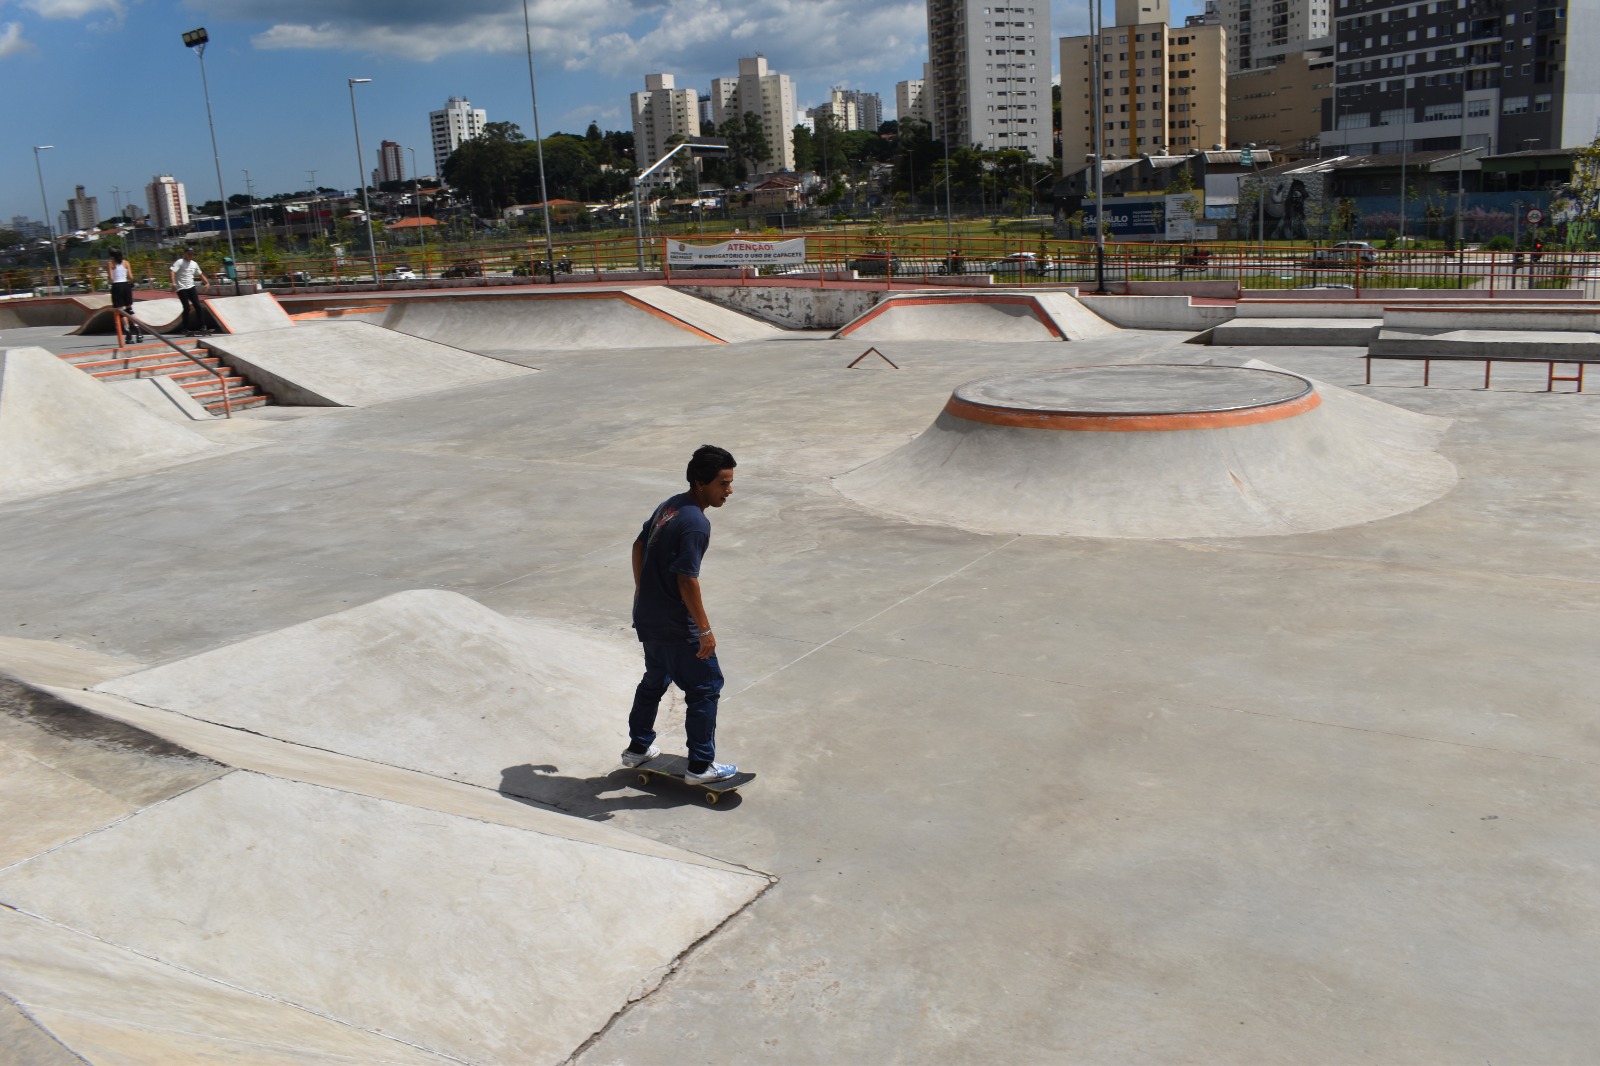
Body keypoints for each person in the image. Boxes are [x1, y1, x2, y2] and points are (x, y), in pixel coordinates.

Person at [623, 445, 738, 784]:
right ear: (701, 482)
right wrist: (704, 631)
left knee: (655, 679)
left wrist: (641, 590)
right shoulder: (695, 523)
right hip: (676, 624)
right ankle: (701, 767)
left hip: (649, 616)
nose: (729, 490)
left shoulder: (671, 505)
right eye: (723, 483)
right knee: (705, 687)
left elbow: (638, 545)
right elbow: (687, 579)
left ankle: (638, 748)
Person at [169, 248, 209, 335]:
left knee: (198, 305)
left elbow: (200, 274)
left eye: (192, 254)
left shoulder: (194, 264)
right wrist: (173, 283)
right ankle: (185, 328)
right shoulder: (179, 262)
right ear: (185, 254)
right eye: (189, 254)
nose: (191, 255)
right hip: (181, 288)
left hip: (191, 286)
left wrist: (206, 282)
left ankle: (202, 326)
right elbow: (172, 272)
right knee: (187, 307)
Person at [105, 249, 141, 342]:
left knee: (122, 311)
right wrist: (131, 283)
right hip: (126, 286)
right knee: (129, 309)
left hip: (117, 286)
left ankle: (128, 334)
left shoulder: (111, 263)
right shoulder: (126, 263)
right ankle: (138, 330)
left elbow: (112, 279)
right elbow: (131, 277)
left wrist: (109, 278)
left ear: (112, 256)